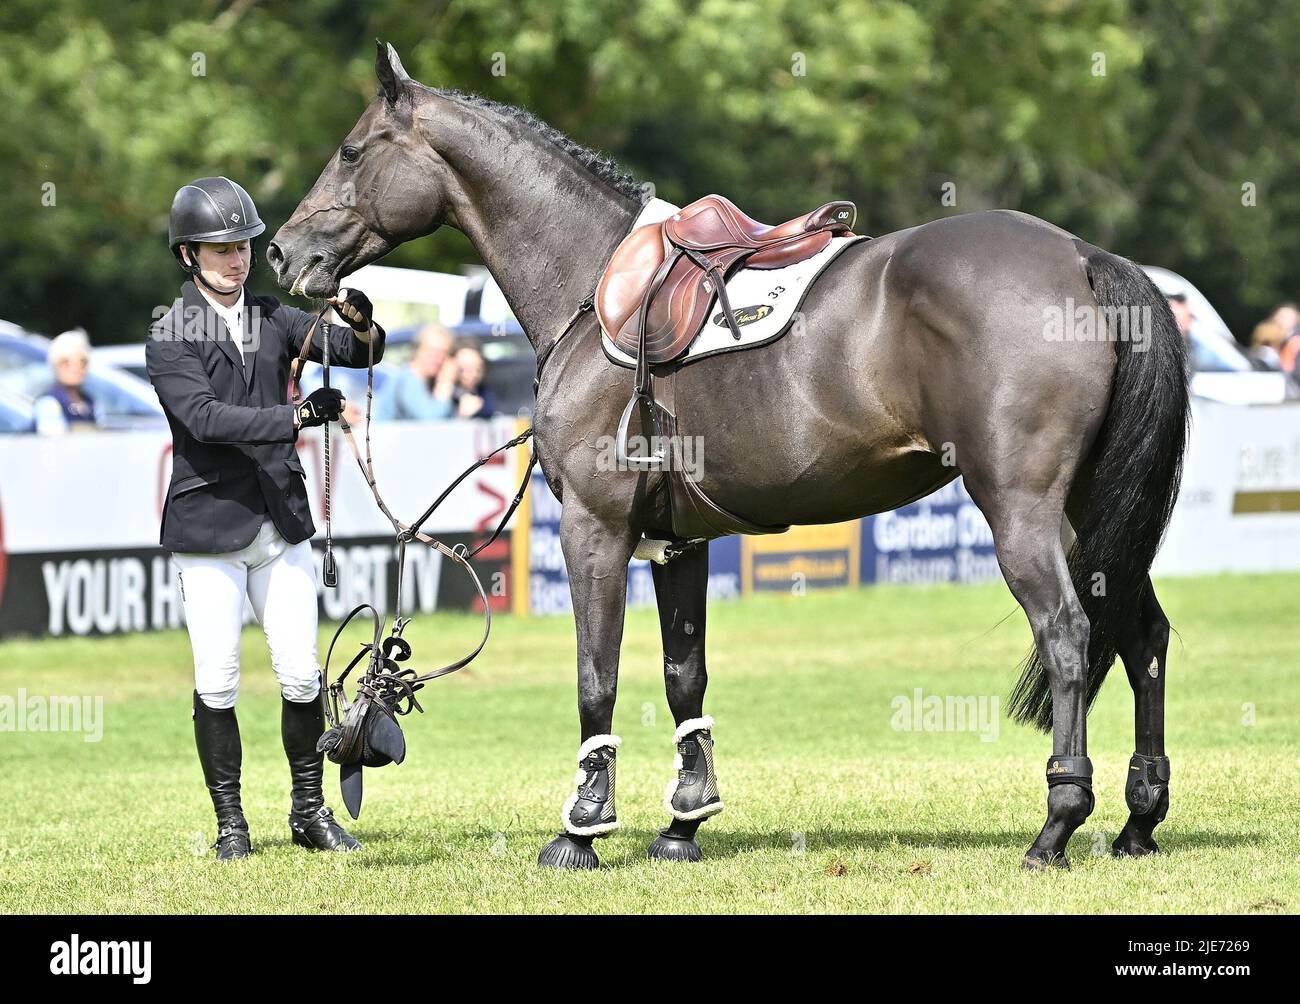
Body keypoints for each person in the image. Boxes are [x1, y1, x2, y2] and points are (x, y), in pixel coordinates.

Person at [145, 176, 386, 860]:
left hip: (280, 524)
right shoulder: (170, 331)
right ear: (189, 255)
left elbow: (358, 352)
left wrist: (361, 321)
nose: (238, 259)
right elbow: (203, 419)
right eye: (221, 249)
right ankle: (231, 825)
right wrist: (294, 417)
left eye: (244, 245)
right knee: (217, 681)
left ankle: (308, 812)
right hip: (210, 528)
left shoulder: (274, 315)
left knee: (302, 675)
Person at [374, 322, 457, 420]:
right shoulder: (408, 380)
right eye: (432, 351)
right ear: (418, 350)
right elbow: (432, 421)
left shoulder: (428, 381)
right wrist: (445, 382)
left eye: (444, 353)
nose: (438, 359)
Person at [34, 329, 98, 434]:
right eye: (65, 363)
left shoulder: (90, 402)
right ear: (54, 366)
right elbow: (54, 444)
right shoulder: (49, 403)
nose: (75, 368)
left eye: (82, 362)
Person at [450, 344, 496, 418]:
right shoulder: (444, 394)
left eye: (477, 369)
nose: (472, 374)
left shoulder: (485, 393)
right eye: (463, 369)